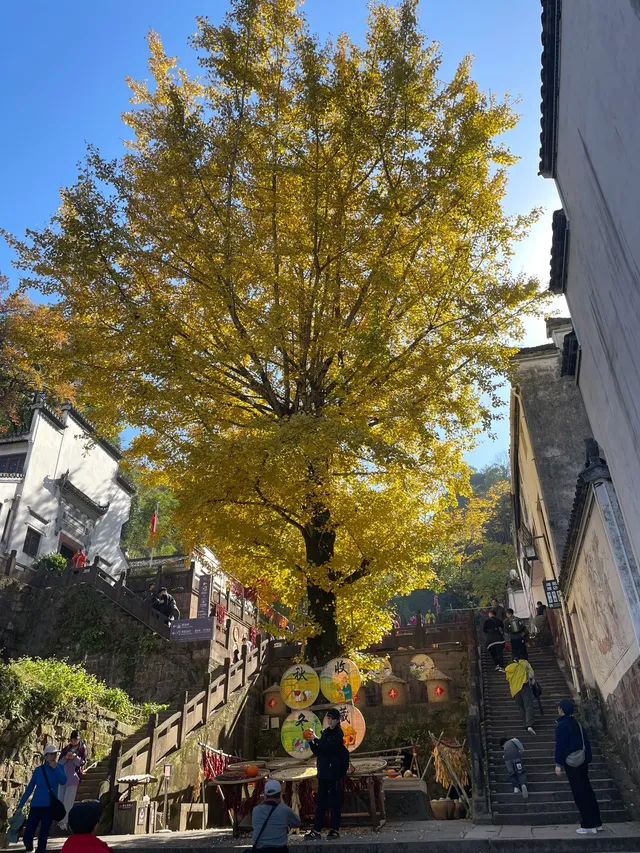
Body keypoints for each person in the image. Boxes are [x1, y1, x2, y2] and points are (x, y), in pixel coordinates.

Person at [555, 699, 602, 834]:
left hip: (571, 762)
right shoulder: (578, 724)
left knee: (579, 793)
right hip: (582, 760)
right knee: (587, 791)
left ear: (562, 709)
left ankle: (588, 824)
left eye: (559, 707)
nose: (558, 709)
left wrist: (558, 763)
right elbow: (586, 742)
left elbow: (560, 746)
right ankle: (597, 822)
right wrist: (588, 758)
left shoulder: (562, 726)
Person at [305, 708, 350, 839]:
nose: (330, 721)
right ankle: (316, 830)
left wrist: (316, 739)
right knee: (321, 801)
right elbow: (319, 752)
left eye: (332, 719)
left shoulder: (338, 734)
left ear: (337, 721)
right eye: (328, 718)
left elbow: (329, 747)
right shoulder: (324, 733)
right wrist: (312, 743)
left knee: (335, 801)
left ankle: (335, 829)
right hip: (324, 772)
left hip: (334, 773)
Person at [17, 744, 67, 853]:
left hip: (49, 806)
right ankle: (30, 849)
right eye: (51, 754)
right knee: (28, 835)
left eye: (55, 754)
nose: (54, 756)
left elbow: (63, 781)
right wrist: (20, 805)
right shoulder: (38, 770)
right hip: (36, 806)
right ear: (45, 756)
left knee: (43, 835)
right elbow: (30, 788)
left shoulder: (60, 767)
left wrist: (56, 768)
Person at [251, 779, 300, 851]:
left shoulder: (256, 810)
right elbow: (297, 823)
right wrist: (282, 803)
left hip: (259, 850)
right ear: (280, 794)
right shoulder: (285, 810)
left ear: (265, 795)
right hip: (279, 850)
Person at [58, 731, 87, 830]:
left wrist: (74, 757)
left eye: (76, 739)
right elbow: (59, 762)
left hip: (73, 778)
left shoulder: (82, 749)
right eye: (72, 739)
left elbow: (82, 763)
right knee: (60, 800)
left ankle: (64, 822)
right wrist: (66, 757)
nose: (74, 741)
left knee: (68, 802)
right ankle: (61, 820)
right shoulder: (66, 748)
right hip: (63, 777)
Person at [505, 656, 537, 735]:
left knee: (521, 707)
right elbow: (532, 674)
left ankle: (525, 724)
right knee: (528, 705)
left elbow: (508, 679)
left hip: (514, 690)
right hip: (524, 686)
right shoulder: (523, 663)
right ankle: (529, 724)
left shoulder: (508, 668)